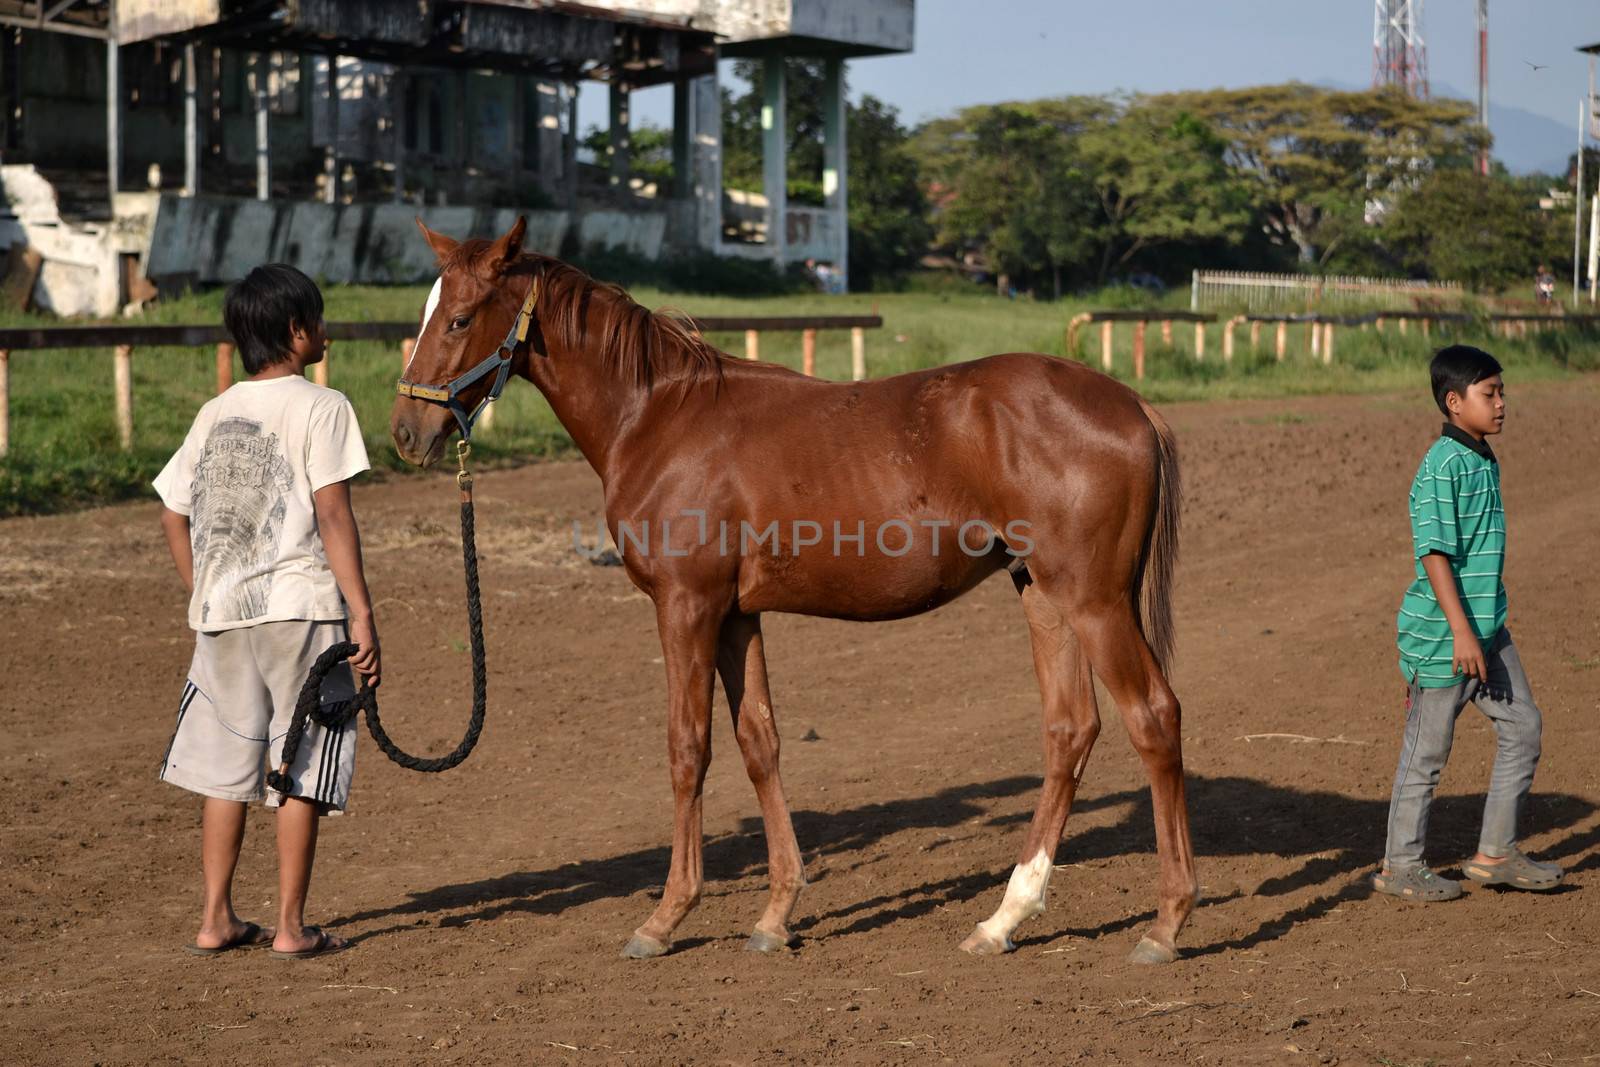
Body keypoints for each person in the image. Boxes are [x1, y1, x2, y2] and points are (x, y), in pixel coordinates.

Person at [154, 264, 380, 958]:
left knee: (227, 766)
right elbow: (333, 515)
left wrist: (203, 586)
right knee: (299, 761)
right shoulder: (322, 404)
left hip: (223, 612)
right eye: (317, 317)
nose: (325, 329)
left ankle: (215, 917)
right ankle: (291, 925)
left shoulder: (215, 410)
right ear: (295, 330)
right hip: (299, 610)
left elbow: (172, 506)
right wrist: (362, 613)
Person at [1373, 345, 1562, 901]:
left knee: (1523, 726)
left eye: (1503, 392)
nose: (1502, 403)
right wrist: (1459, 631)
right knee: (1426, 752)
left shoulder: (1480, 456)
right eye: (1490, 394)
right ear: (1454, 403)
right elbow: (1433, 553)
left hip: (1486, 629)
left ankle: (1496, 853)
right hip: (1444, 636)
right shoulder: (1442, 465)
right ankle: (1399, 866)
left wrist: (1478, 629)